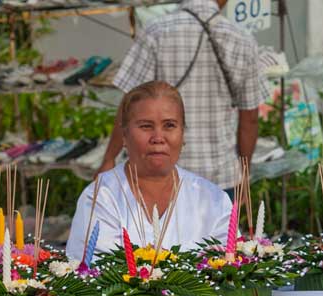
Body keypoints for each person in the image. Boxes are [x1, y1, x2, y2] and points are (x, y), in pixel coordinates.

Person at [97, 0, 269, 192]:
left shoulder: (156, 31)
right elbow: (250, 120)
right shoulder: (242, 40)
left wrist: (109, 158)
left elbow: (129, 108)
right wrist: (243, 176)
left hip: (159, 176)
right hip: (221, 180)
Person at [66, 81, 231, 261]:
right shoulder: (101, 197)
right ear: (124, 135)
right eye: (146, 126)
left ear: (182, 134)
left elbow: (231, 273)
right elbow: (91, 277)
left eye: (169, 125)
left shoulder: (213, 200)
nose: (158, 138)